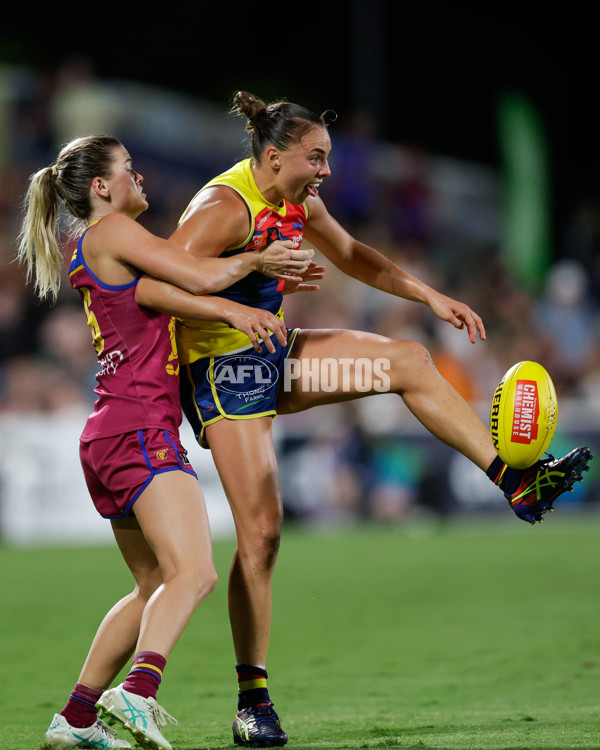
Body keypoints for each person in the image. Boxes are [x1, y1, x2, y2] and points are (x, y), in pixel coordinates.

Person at [134, 92, 593, 748]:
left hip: (276, 358)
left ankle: (513, 482)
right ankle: (251, 701)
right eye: (315, 157)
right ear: (273, 156)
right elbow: (153, 286)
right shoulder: (223, 207)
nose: (326, 169)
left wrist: (431, 295)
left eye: (327, 157)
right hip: (221, 376)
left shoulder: (297, 203)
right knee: (262, 534)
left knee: (408, 359)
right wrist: (237, 303)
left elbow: (353, 254)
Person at [17, 134, 315, 750]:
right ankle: (137, 694)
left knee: (152, 585)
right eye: (127, 169)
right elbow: (200, 271)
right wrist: (256, 260)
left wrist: (232, 311)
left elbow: (164, 295)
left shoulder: (92, 248)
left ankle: (73, 721)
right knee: (196, 573)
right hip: (140, 427)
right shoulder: (114, 231)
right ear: (101, 187)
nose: (139, 177)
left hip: (108, 432)